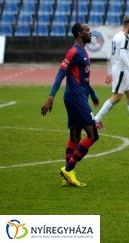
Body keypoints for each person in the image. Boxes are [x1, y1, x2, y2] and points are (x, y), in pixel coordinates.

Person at [40, 23, 100, 187]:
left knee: (75, 136)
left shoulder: (84, 52)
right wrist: (51, 97)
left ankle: (68, 176)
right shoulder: (73, 52)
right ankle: (68, 168)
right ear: (80, 33)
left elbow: (83, 78)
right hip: (75, 99)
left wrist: (93, 94)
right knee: (93, 135)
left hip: (79, 97)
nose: (90, 32)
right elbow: (60, 75)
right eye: (87, 30)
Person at [94, 17, 129, 129]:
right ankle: (96, 119)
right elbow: (123, 56)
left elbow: (110, 55)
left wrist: (109, 72)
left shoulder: (116, 36)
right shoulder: (124, 37)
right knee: (117, 96)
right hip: (121, 70)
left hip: (121, 70)